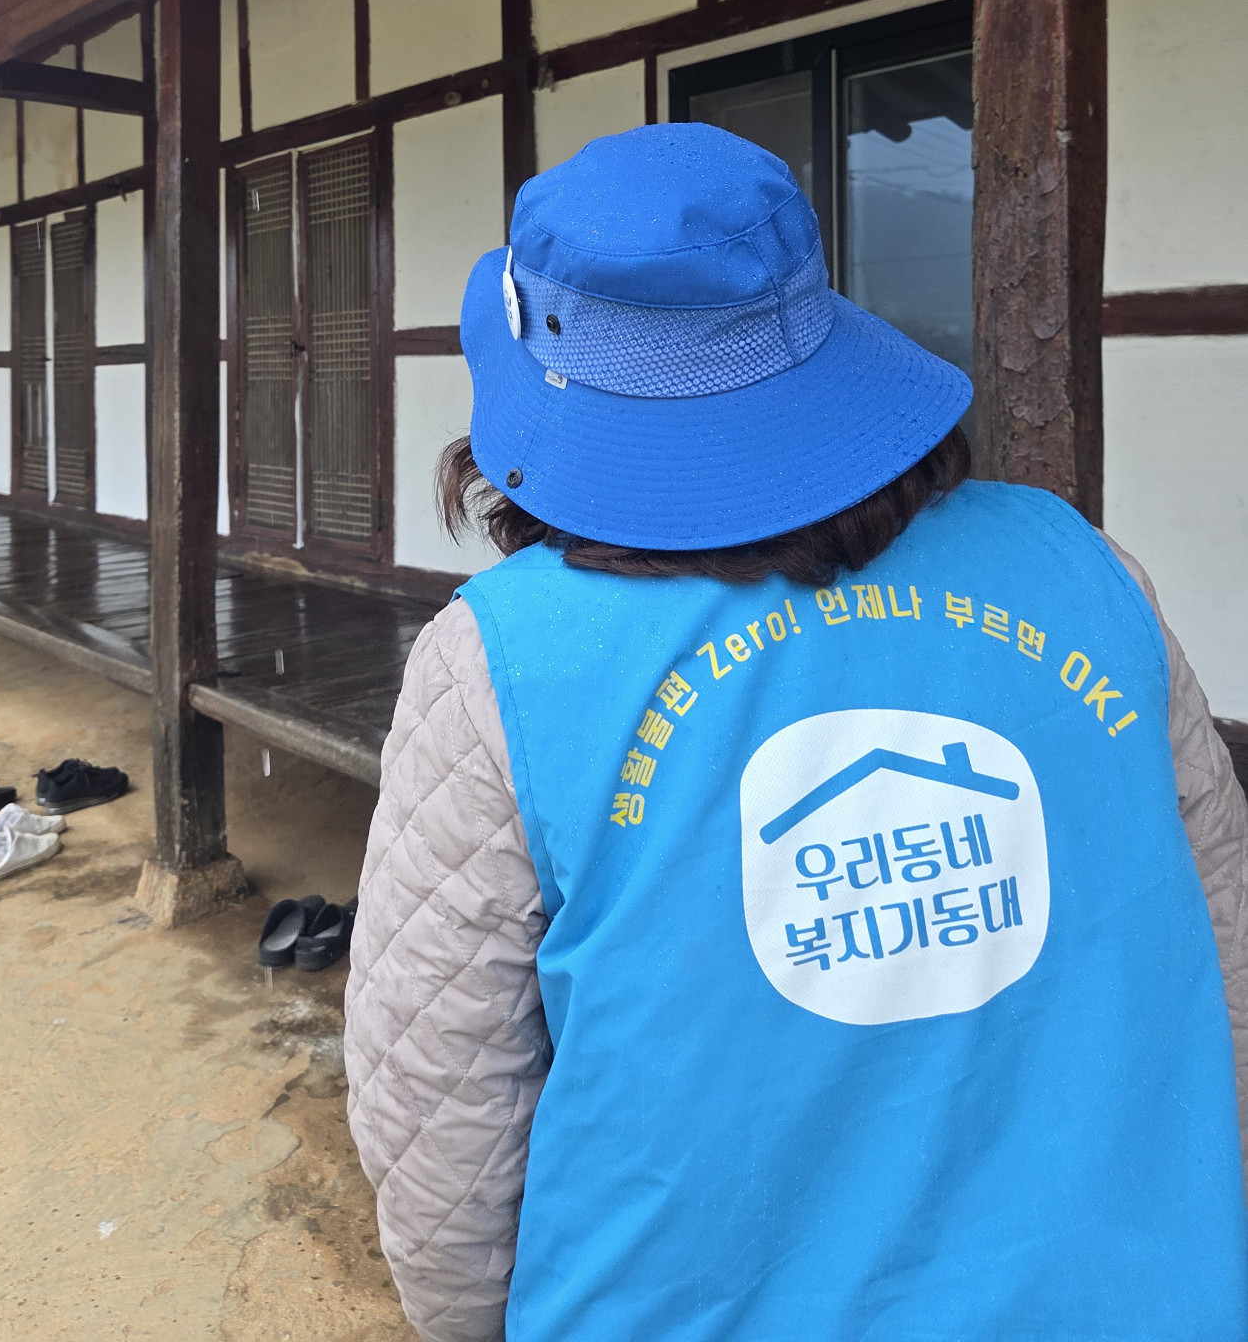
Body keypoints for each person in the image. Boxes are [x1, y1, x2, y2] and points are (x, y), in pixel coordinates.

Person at [344, 123, 1248, 1342]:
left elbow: (441, 1115)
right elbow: (1219, 949)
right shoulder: (1088, 569)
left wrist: (473, 1320)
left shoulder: (497, 660)